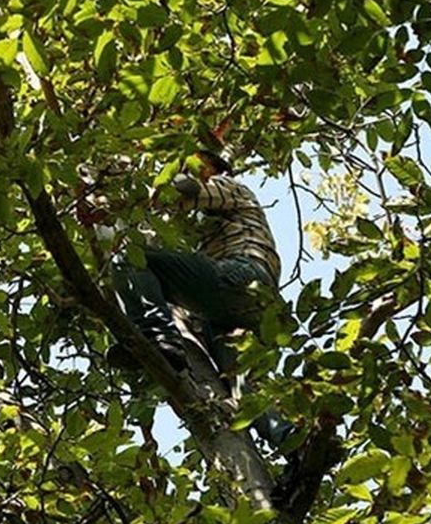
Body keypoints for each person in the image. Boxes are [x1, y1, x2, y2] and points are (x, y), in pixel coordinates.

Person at [105, 149, 296, 450]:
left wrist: (130, 191)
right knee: (243, 389)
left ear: (212, 168)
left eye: (196, 165)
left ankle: (158, 336)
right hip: (243, 311)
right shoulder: (203, 226)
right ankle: (292, 443)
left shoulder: (230, 186)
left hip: (244, 276)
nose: (189, 171)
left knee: (128, 258)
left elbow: (185, 189)